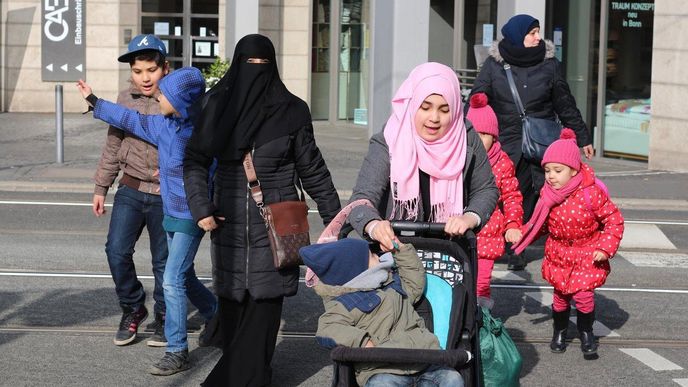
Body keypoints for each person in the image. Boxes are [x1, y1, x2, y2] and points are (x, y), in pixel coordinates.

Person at [182, 34, 341, 386]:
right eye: (249, 64)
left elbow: (312, 169)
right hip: (228, 230)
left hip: (277, 233)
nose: (255, 72)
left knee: (261, 324)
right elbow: (193, 160)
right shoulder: (215, 106)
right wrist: (200, 206)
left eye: (262, 65)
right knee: (238, 327)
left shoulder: (292, 111)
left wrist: (336, 220)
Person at [77, 67, 218, 375]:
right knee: (185, 275)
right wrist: (94, 101)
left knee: (171, 279)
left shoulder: (201, 133)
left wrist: (208, 206)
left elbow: (213, 172)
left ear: (181, 101)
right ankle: (215, 313)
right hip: (170, 209)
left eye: (164, 93)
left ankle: (177, 349)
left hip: (191, 215)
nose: (157, 94)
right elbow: (130, 119)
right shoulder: (163, 125)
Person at [470, 14, 594, 271]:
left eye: (538, 32)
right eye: (532, 33)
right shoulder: (494, 64)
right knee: (498, 193)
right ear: (518, 36)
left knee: (527, 194)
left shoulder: (550, 65)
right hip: (503, 141)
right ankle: (491, 238)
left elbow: (564, 103)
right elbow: (477, 99)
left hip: (538, 141)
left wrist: (582, 136)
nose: (538, 37)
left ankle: (517, 247)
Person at [348, 62, 498, 252]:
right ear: (412, 104)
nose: (434, 118)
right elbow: (362, 198)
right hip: (397, 250)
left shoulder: (466, 136)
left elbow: (486, 189)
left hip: (449, 252)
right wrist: (374, 225)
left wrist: (470, 217)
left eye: (444, 110)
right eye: (425, 107)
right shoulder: (390, 139)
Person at [511, 129, 624, 358]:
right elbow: (540, 223)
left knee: (584, 297)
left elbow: (614, 220)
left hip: (585, 252)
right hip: (559, 252)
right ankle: (559, 331)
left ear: (574, 170)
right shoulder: (548, 194)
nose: (551, 176)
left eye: (557, 170)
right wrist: (522, 232)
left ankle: (586, 332)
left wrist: (604, 247)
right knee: (560, 297)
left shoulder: (591, 194)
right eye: (547, 170)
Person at [92, 34, 169, 347]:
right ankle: (133, 307)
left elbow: (191, 142)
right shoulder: (125, 100)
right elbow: (113, 145)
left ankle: (165, 315)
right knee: (116, 251)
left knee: (163, 262)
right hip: (131, 189)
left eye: (151, 70)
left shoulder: (177, 98)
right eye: (138, 71)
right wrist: (101, 187)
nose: (145, 77)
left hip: (166, 196)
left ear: (165, 68)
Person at [301, 238, 464, 387]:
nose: (378, 257)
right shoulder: (343, 304)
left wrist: (398, 249)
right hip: (381, 368)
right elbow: (327, 328)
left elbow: (415, 280)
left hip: (425, 361)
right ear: (357, 270)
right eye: (372, 255)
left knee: (453, 379)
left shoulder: (393, 284)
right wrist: (362, 341)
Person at [465, 93, 523, 308]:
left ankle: (481, 322)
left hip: (489, 234)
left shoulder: (502, 163)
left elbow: (512, 196)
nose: (479, 140)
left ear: (494, 137)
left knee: (481, 283)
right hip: (461, 232)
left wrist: (513, 224)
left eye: (485, 134)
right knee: (461, 279)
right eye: (474, 133)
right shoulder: (459, 158)